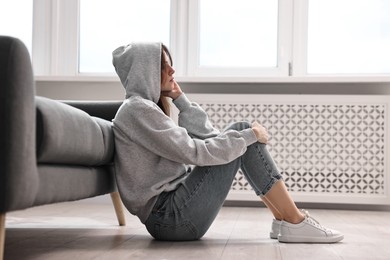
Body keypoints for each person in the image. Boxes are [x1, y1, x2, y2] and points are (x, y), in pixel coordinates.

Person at [111, 42, 344, 243]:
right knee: (242, 132)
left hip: (171, 214)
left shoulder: (143, 108)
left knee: (239, 136)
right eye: (162, 65)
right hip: (171, 218)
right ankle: (294, 219)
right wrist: (249, 136)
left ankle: (286, 220)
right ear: (144, 71)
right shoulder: (137, 110)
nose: (172, 69)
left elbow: (211, 138)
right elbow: (195, 153)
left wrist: (181, 100)